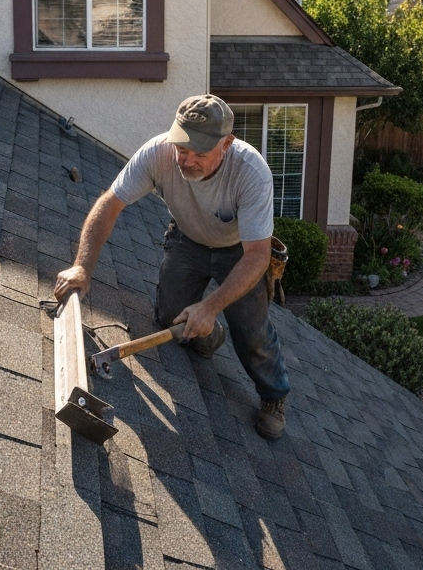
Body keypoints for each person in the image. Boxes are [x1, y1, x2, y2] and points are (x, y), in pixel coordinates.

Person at [54, 95, 292, 439]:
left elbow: (257, 255)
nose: (187, 160)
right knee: (170, 317)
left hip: (239, 251)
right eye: (183, 149)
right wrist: (82, 267)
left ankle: (274, 396)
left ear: (227, 144)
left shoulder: (251, 172)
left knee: (252, 331)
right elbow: (110, 204)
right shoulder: (158, 152)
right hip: (188, 239)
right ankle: (209, 336)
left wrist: (211, 306)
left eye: (200, 154)